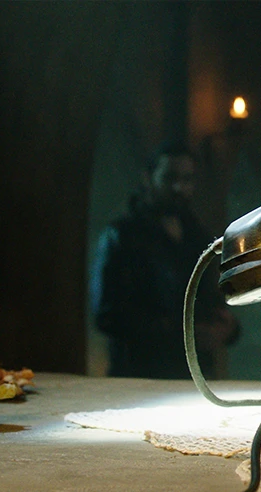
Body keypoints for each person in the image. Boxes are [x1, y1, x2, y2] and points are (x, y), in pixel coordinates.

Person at [91, 145, 239, 379]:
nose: (179, 188)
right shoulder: (121, 235)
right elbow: (107, 314)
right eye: (170, 178)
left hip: (193, 376)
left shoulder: (197, 235)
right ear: (148, 178)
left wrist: (227, 328)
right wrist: (179, 334)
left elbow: (209, 297)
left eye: (187, 179)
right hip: (138, 376)